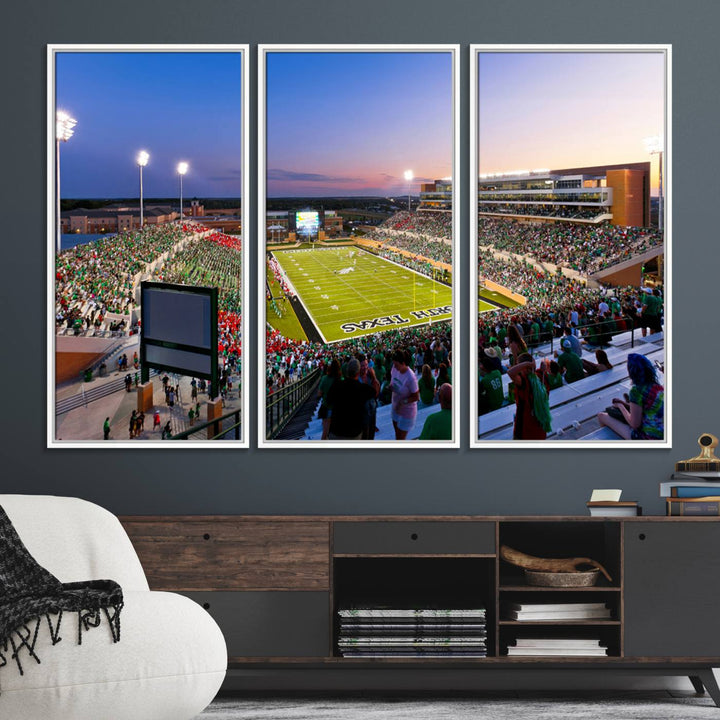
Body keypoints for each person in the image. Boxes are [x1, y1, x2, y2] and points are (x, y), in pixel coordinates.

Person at [597, 353, 664, 440]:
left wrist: (621, 406)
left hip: (648, 438)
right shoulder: (658, 388)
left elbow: (634, 424)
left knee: (601, 416)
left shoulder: (636, 391)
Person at [326, 359, 377, 440]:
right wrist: (374, 377)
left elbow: (328, 401)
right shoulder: (362, 388)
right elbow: (375, 392)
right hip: (353, 434)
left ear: (347, 371)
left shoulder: (337, 385)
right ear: (358, 371)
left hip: (335, 432)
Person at [508, 353, 552, 440]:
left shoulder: (524, 382)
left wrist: (528, 364)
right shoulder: (541, 377)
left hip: (525, 430)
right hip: (540, 427)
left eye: (519, 365)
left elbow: (510, 372)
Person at [390, 349, 419, 440]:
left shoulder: (411, 377)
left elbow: (416, 397)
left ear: (403, 363)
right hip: (395, 408)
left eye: (396, 365)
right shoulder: (394, 368)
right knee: (397, 436)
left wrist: (403, 402)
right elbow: (393, 381)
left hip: (407, 412)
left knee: (400, 440)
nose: (394, 367)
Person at [356, 354, 380, 440]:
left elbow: (377, 391)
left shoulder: (370, 374)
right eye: (362, 366)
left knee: (371, 434)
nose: (365, 367)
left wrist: (374, 377)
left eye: (366, 365)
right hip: (361, 409)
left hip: (372, 406)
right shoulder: (356, 378)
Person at [317, 359, 342, 440]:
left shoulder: (324, 378)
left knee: (325, 433)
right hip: (338, 410)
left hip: (327, 406)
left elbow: (319, 393)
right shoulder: (342, 380)